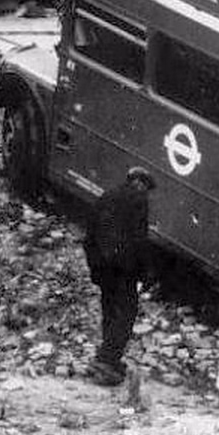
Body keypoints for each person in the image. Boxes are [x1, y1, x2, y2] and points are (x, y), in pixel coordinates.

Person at [83, 165, 155, 386]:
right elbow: (139, 240)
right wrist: (145, 273)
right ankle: (106, 360)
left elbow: (89, 234)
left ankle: (109, 359)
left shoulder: (107, 195)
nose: (145, 192)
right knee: (126, 313)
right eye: (146, 187)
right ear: (141, 183)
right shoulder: (138, 200)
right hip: (123, 269)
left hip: (103, 266)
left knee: (109, 309)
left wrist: (94, 267)